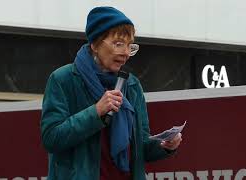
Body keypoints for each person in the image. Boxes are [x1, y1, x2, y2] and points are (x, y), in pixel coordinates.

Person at [41, 6, 182, 180]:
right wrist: (96, 112)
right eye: (118, 44)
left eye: (130, 46)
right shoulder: (63, 79)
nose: (125, 53)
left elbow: (141, 147)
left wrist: (165, 146)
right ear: (95, 44)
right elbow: (51, 138)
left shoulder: (131, 85)